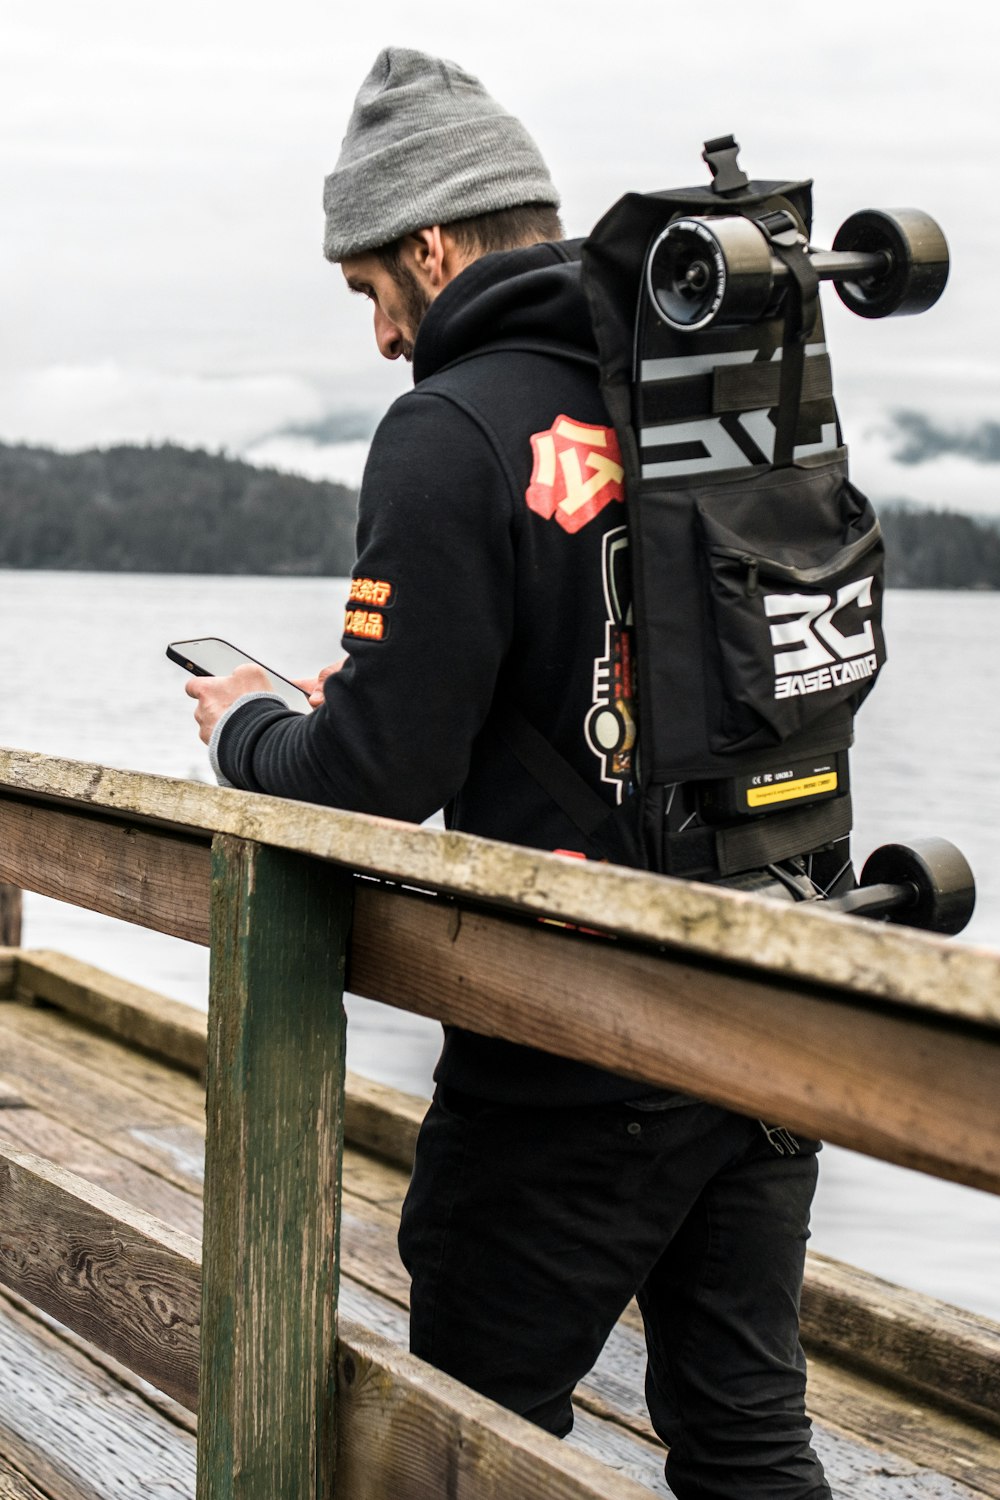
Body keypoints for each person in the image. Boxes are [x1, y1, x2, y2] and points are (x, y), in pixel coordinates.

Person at [187, 47, 833, 1500]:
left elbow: (362, 776)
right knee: (746, 1441)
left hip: (572, 1037)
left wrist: (244, 727)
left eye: (369, 290)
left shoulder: (453, 424)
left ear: (428, 241)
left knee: (459, 1444)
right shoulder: (696, 380)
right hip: (778, 979)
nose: (376, 336)